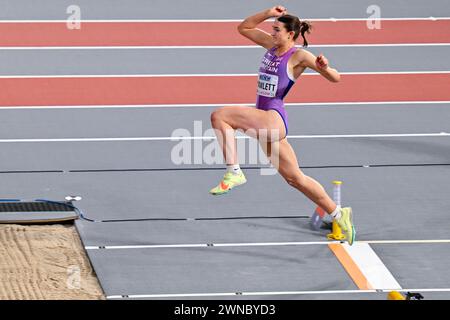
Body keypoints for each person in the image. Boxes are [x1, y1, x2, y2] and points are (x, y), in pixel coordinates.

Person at [209, 5, 355, 245]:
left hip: (273, 118)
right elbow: (243, 27)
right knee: (295, 179)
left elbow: (335, 78)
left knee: (220, 116)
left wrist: (324, 66)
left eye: (276, 30)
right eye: (272, 29)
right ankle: (340, 214)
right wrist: (268, 13)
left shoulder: (299, 56)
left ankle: (234, 172)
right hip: (264, 117)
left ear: (290, 34)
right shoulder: (271, 46)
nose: (272, 33)